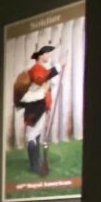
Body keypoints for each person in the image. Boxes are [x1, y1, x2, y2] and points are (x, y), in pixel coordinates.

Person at [13, 44, 62, 175]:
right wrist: (55, 69)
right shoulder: (36, 69)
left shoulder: (42, 68)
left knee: (36, 134)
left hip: (41, 105)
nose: (49, 55)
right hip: (35, 107)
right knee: (31, 136)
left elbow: (48, 83)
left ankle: (38, 161)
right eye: (47, 53)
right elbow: (40, 80)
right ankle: (34, 166)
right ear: (41, 55)